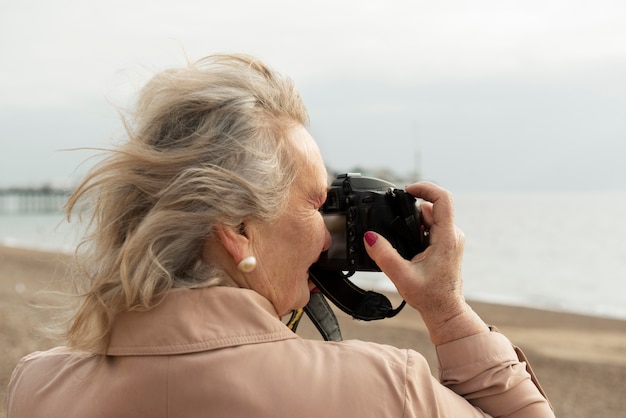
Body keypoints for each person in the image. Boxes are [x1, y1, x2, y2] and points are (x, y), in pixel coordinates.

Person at [7, 54, 554, 417]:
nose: (328, 236)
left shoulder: (37, 388)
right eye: (317, 204)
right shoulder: (384, 389)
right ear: (239, 232)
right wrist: (449, 312)